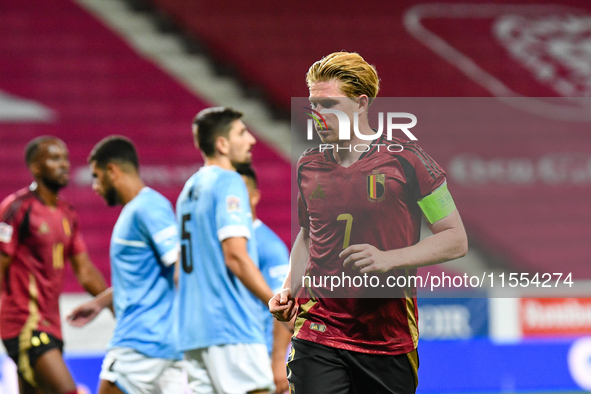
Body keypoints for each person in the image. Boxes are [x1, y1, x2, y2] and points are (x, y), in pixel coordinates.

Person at [269, 52, 469, 393]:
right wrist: (290, 287)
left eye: (329, 104)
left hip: (387, 338)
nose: (318, 115)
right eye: (314, 105)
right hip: (319, 328)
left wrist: (389, 258)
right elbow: (308, 236)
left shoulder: (408, 161)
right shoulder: (309, 165)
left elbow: (455, 239)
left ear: (361, 104)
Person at [66, 136, 182, 394]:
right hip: (165, 346)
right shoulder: (138, 209)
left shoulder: (148, 207)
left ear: (112, 170)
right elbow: (147, 278)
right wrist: (101, 302)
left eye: (97, 176)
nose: (95, 186)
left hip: (139, 343)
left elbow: (180, 268)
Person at [176, 107, 275, 394]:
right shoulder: (229, 182)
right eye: (242, 133)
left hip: (192, 332)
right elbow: (235, 256)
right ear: (222, 144)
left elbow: (179, 271)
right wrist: (273, 303)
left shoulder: (188, 189)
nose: (252, 140)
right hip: (230, 327)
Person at [0, 136, 109, 394]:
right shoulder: (17, 209)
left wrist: (113, 303)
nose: (64, 165)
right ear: (36, 167)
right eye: (54, 159)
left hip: (52, 325)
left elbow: (85, 271)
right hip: (25, 324)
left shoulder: (67, 213)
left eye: (65, 159)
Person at [236, 164, 291, 394]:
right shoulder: (229, 241)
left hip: (258, 355)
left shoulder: (269, 246)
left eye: (240, 192)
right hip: (232, 352)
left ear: (255, 196)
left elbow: (284, 303)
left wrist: (278, 360)